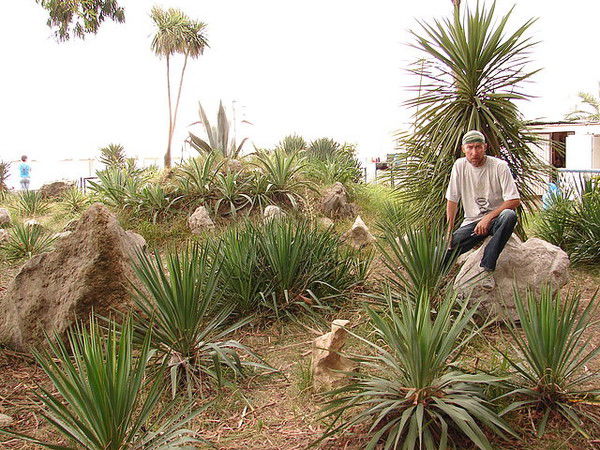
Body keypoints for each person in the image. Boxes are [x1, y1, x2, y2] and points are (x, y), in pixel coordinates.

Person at [445, 130, 521, 291]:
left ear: (485, 147)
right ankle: (436, 279)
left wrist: (488, 218)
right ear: (463, 149)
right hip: (472, 223)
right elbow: (452, 199)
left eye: (478, 147)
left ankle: (486, 269)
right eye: (470, 147)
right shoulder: (459, 165)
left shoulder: (499, 166)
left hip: (496, 221)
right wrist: (449, 230)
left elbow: (514, 200)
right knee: (447, 249)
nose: (474, 152)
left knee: (509, 215)